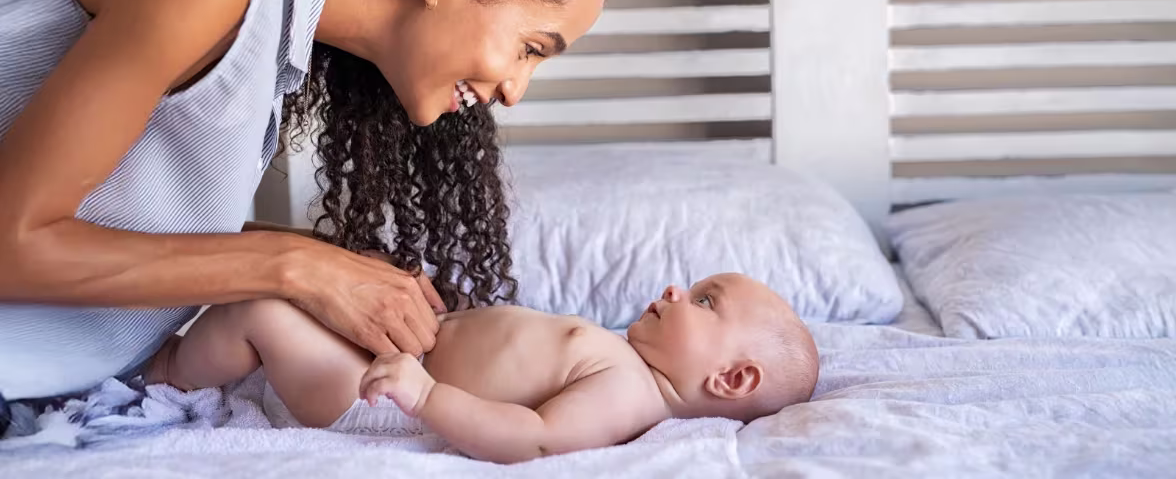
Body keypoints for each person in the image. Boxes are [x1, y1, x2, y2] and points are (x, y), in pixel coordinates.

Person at [0, 0, 637, 415]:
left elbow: (98, 215)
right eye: (530, 48)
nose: (515, 90)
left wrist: (330, 266)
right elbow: (12, 243)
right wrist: (295, 268)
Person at [145, 273, 820, 464]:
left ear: (731, 380)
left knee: (263, 307)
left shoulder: (628, 393)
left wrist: (427, 393)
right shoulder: (625, 355)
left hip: (375, 402)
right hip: (400, 364)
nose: (676, 290)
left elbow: (535, 436)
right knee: (314, 291)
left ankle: (159, 374)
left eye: (704, 301)